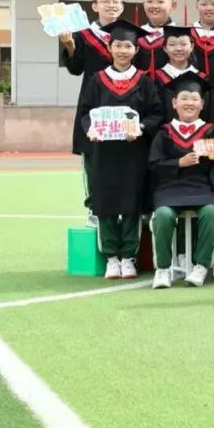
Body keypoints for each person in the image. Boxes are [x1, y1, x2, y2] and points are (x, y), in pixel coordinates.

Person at [78, 20, 163, 279]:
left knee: (130, 203)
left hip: (133, 152)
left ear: (136, 50)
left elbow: (156, 113)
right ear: (109, 48)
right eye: (118, 45)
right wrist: (90, 129)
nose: (123, 51)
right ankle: (111, 257)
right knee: (105, 203)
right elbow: (85, 112)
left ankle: (128, 256)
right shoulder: (98, 80)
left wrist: (141, 128)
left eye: (128, 46)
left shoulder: (144, 81)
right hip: (104, 152)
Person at [148, 74, 214, 289]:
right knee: (163, 215)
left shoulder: (211, 131)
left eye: (194, 99)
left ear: (202, 104)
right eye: (184, 98)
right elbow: (154, 164)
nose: (189, 103)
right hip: (169, 187)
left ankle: (201, 265)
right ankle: (163, 268)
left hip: (201, 186)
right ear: (174, 103)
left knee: (211, 212)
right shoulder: (164, 132)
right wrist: (179, 162)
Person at [61, 0, 132, 225]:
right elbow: (75, 68)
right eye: (105, 1)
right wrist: (70, 46)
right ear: (95, 6)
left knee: (126, 157)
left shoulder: (129, 35)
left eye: (115, 1)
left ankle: (126, 206)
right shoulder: (83, 35)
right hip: (94, 104)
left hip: (126, 102)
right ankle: (94, 207)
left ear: (122, 6)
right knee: (94, 159)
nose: (111, 5)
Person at [152, 25, 207, 122]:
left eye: (183, 44)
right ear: (165, 48)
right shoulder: (156, 78)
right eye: (172, 44)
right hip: (164, 130)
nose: (178, 48)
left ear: (192, 47)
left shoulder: (202, 78)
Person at [134, 0, 183, 73]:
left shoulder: (182, 35)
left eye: (161, 2)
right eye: (149, 1)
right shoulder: (137, 34)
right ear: (144, 4)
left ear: (173, 5)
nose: (154, 6)